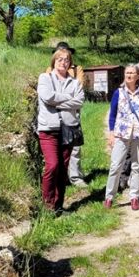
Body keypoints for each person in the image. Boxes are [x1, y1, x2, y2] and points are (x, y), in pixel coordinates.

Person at [36, 47, 85, 213]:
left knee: (63, 169)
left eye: (66, 60)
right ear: (54, 61)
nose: (63, 62)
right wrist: (68, 99)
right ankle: (47, 205)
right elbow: (47, 97)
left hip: (68, 129)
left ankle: (58, 205)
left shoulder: (74, 83)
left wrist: (58, 102)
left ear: (70, 63)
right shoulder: (45, 78)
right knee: (52, 165)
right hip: (49, 129)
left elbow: (79, 102)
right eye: (60, 59)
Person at [105, 64, 139, 211]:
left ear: (138, 76)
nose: (129, 75)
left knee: (137, 166)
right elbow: (113, 114)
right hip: (121, 134)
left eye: (132, 73)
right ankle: (109, 197)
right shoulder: (118, 93)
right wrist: (111, 133)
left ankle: (134, 197)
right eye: (127, 72)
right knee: (116, 165)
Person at [49, 42, 86, 187]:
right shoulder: (49, 70)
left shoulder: (77, 69)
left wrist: (57, 100)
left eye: (66, 54)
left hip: (72, 114)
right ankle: (60, 178)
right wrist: (68, 96)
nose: (63, 59)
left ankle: (75, 176)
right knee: (56, 148)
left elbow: (80, 88)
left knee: (74, 146)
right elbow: (47, 95)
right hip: (53, 116)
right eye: (59, 53)